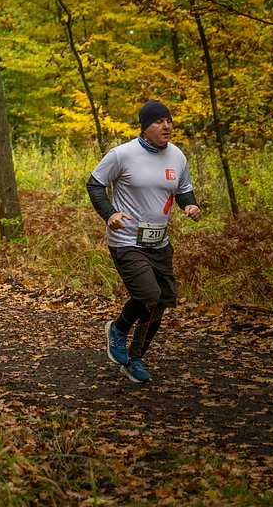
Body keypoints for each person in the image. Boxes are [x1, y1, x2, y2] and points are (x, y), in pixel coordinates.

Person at [87, 100, 202, 384]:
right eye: (159, 121)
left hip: (160, 242)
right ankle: (118, 328)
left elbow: (184, 191)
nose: (166, 126)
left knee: (159, 303)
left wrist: (190, 206)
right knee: (149, 295)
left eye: (169, 121)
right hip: (126, 240)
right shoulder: (122, 154)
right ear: (145, 127)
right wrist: (110, 213)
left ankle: (135, 358)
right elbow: (94, 184)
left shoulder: (177, 156)